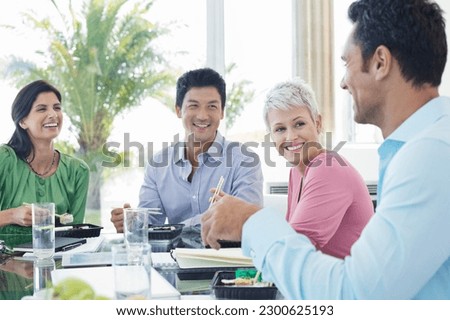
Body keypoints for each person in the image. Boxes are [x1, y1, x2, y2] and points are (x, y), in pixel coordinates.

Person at [202, 0, 450, 299]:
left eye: (347, 63)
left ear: (381, 62)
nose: (343, 83)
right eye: (279, 129)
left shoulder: (430, 155)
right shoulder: (420, 147)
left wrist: (250, 221)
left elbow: (356, 295)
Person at [110, 68, 263, 242]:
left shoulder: (245, 161)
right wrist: (131, 222)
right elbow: (150, 224)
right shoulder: (157, 165)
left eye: (212, 106)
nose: (203, 115)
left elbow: (248, 221)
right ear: (178, 110)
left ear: (221, 112)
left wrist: (176, 229)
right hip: (175, 257)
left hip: (226, 258)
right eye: (193, 106)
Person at [263, 79, 373, 259]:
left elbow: (292, 250)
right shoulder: (297, 173)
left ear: (318, 123)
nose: (291, 136)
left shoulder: (327, 168)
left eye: (299, 124)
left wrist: (245, 220)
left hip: (349, 284)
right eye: (280, 129)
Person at [0, 80, 90, 241]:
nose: (53, 114)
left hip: (54, 262)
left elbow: (75, 235)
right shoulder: (4, 159)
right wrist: (12, 215)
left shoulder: (78, 171)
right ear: (22, 121)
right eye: (42, 109)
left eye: (57, 108)